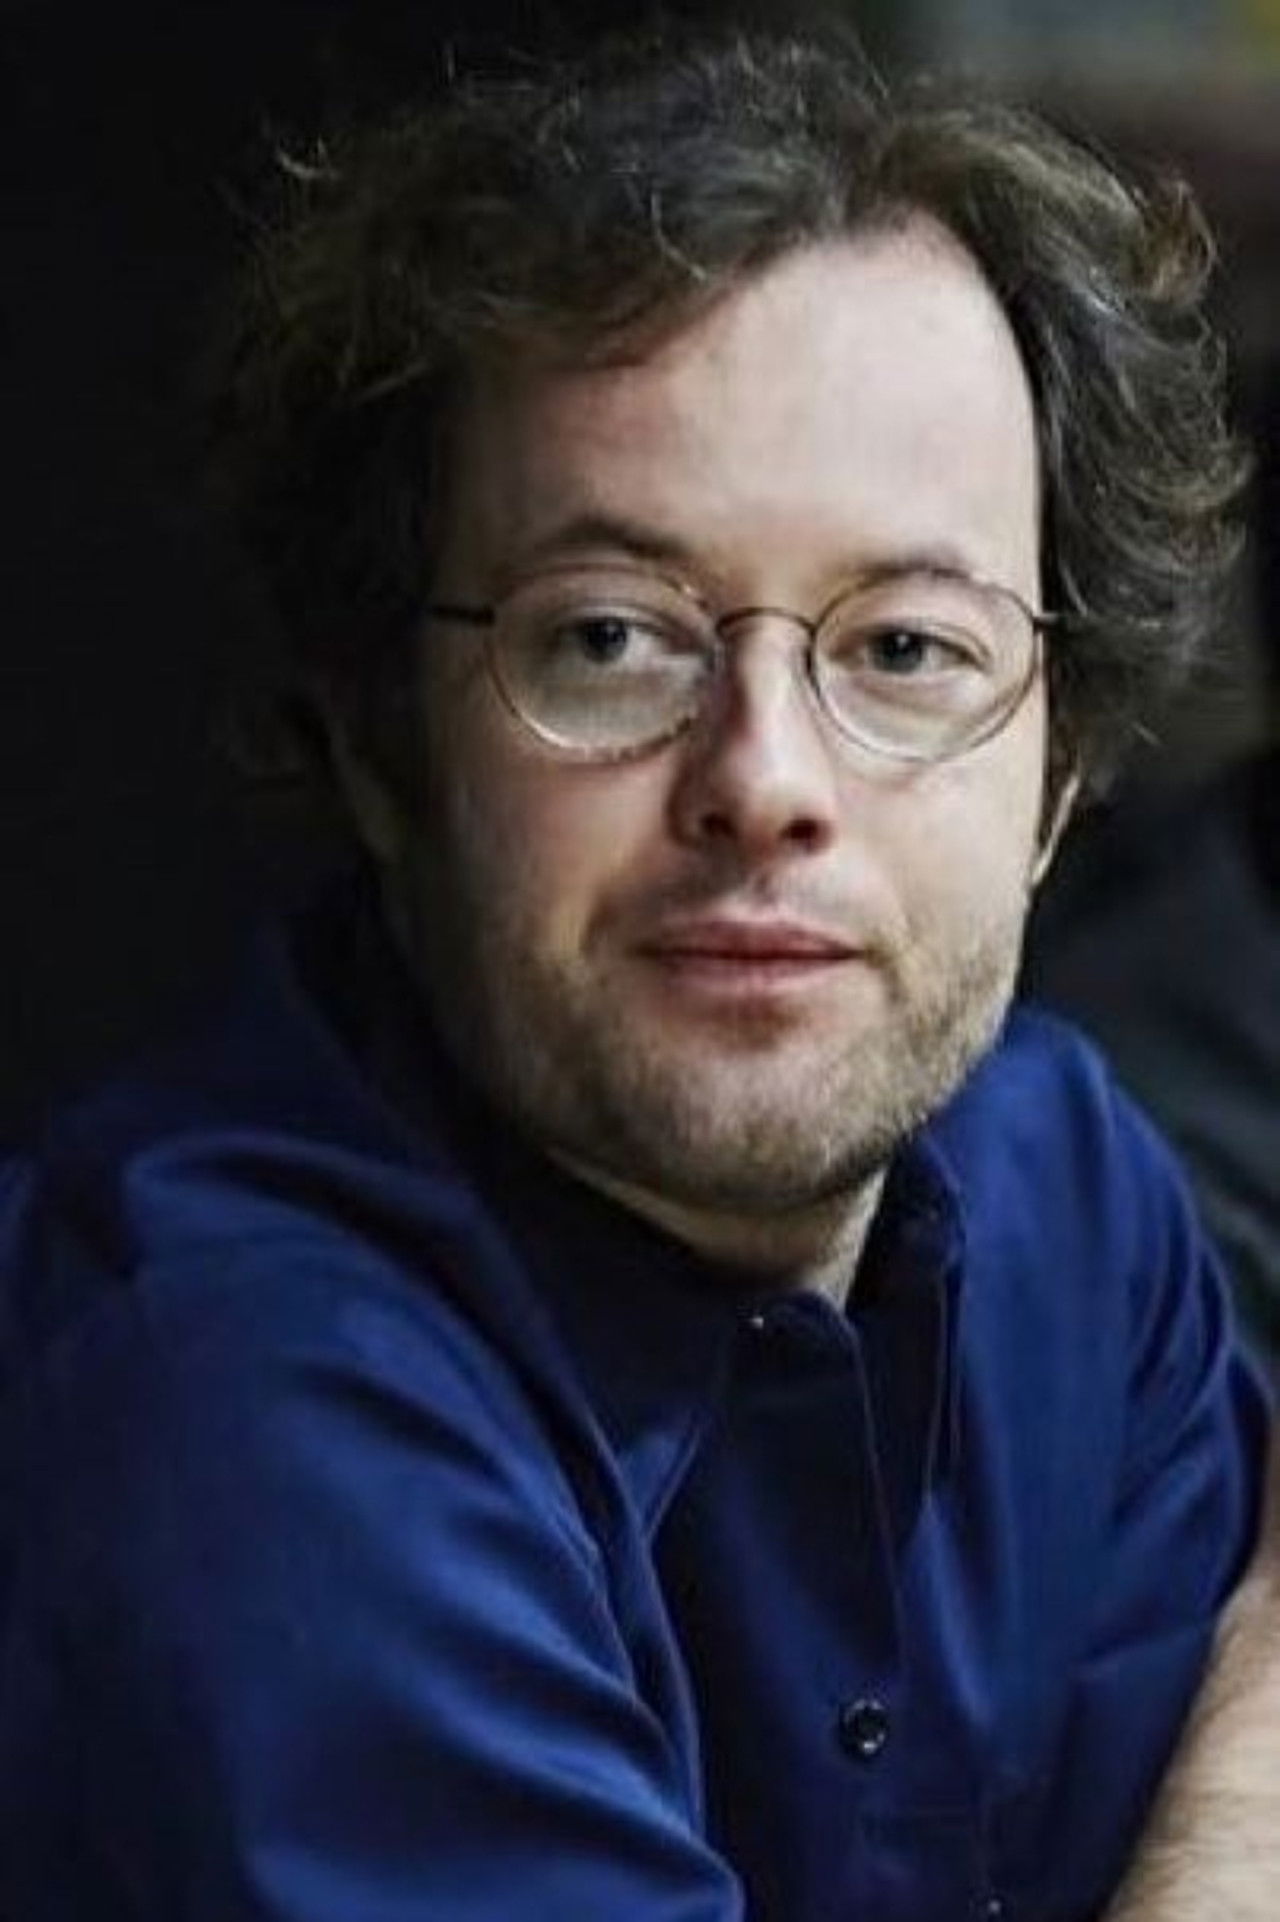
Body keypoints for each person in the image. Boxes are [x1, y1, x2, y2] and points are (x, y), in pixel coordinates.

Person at [0, 21, 1274, 1921]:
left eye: (906, 649)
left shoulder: (1065, 1184)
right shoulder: (231, 1403)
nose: (764, 779)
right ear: (384, 742)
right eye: (608, 637)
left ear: (1059, 769)